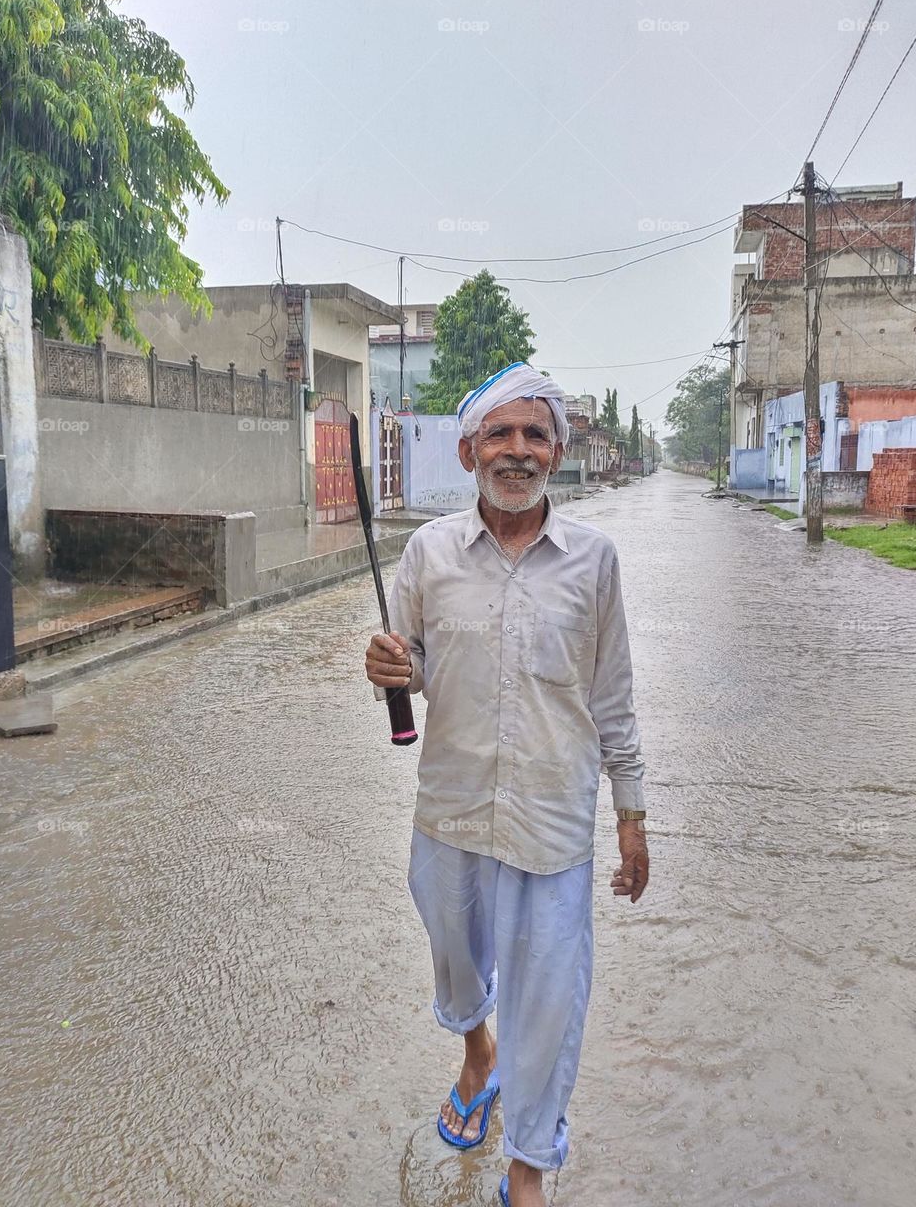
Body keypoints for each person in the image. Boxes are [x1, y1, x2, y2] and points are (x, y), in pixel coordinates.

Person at [365, 362, 649, 1207]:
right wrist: (389, 666)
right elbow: (409, 669)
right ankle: (477, 1051)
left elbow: (615, 698)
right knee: (456, 965)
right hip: (449, 811)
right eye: (500, 434)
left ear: (558, 451)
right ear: (467, 453)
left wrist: (630, 815)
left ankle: (526, 1166)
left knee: (551, 999)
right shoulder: (428, 552)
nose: (517, 451)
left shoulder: (594, 561)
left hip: (554, 820)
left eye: (534, 434)